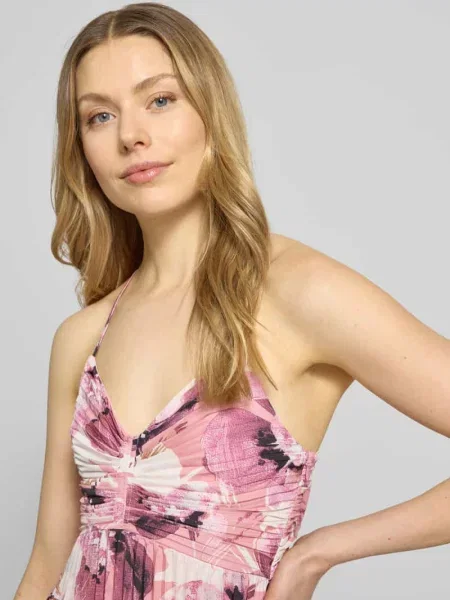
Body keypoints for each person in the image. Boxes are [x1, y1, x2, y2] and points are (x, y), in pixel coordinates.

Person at [14, 3, 450, 600]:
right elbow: (45, 566)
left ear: (210, 111)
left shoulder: (297, 291)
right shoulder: (82, 337)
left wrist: (317, 553)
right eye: (100, 116)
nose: (131, 135)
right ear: (82, 148)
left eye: (160, 100)